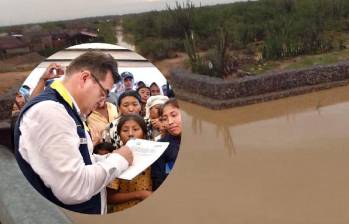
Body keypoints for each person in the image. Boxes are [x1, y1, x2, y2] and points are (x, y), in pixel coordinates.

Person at [14, 51, 133, 215]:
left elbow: (78, 160)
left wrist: (105, 158)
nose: (102, 101)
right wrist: (120, 160)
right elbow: (74, 188)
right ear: (84, 78)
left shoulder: (68, 110)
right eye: (103, 93)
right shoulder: (51, 112)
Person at [107, 114, 152, 212]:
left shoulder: (154, 155)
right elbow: (109, 197)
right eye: (125, 130)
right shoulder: (115, 158)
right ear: (119, 135)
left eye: (136, 129)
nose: (130, 134)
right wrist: (139, 194)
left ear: (144, 134)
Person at [151, 98, 181, 191]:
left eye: (174, 115)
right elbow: (158, 181)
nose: (170, 122)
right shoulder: (161, 147)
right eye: (164, 119)